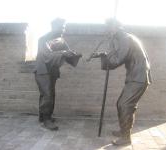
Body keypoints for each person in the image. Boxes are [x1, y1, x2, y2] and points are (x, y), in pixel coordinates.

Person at [91, 18, 152, 146]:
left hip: (138, 77)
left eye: (107, 28)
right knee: (124, 104)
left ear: (114, 28)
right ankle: (124, 131)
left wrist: (105, 54)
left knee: (124, 105)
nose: (106, 30)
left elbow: (116, 59)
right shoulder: (126, 38)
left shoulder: (124, 38)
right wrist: (104, 54)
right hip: (137, 77)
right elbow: (119, 55)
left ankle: (126, 137)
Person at [34, 18, 82, 130]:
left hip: (52, 72)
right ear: (53, 26)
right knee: (47, 95)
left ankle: (45, 116)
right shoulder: (43, 39)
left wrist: (75, 55)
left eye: (64, 27)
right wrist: (64, 53)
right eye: (61, 27)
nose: (63, 30)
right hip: (42, 71)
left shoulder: (61, 40)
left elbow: (67, 54)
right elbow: (46, 56)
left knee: (49, 95)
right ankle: (46, 120)